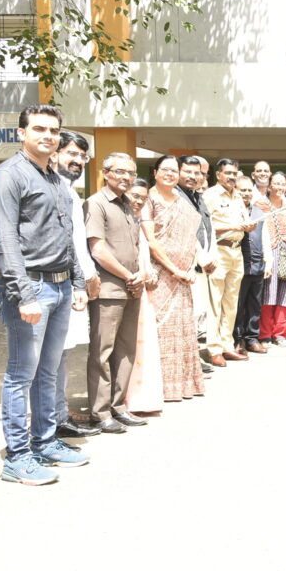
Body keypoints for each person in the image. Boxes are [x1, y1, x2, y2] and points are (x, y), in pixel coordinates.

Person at [0, 104, 90, 484]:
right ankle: (17, 456)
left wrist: (77, 283)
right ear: (21, 133)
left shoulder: (55, 179)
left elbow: (66, 237)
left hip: (61, 285)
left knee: (48, 371)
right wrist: (23, 294)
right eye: (39, 129)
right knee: (21, 374)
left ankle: (45, 442)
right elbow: (5, 241)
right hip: (29, 287)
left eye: (54, 130)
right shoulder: (7, 177)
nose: (48, 135)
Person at [84, 152, 146, 433]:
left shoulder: (128, 205)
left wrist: (140, 274)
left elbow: (135, 247)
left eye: (130, 173)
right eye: (120, 171)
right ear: (105, 173)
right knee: (102, 351)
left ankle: (119, 405)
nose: (126, 177)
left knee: (125, 351)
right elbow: (97, 248)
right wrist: (128, 275)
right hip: (110, 289)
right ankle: (99, 411)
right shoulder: (96, 204)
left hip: (132, 288)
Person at [51, 131, 102, 439]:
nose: (78, 160)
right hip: (55, 284)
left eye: (82, 156)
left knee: (61, 354)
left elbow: (77, 244)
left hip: (74, 283)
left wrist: (87, 276)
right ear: (54, 154)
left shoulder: (70, 191)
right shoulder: (51, 189)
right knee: (50, 357)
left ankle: (58, 413)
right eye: (71, 153)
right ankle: (52, 421)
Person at [143, 156, 205, 401]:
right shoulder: (149, 199)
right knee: (160, 331)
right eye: (165, 170)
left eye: (173, 170)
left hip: (183, 277)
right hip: (159, 275)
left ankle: (182, 385)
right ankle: (158, 388)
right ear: (155, 172)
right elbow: (150, 241)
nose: (169, 174)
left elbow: (191, 236)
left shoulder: (182, 201)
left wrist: (189, 265)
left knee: (182, 330)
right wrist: (174, 269)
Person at [203, 158, 252, 366]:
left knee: (231, 302)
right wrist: (234, 226)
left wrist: (247, 227)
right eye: (228, 173)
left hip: (236, 251)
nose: (232, 177)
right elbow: (205, 225)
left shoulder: (238, 196)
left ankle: (227, 345)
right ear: (218, 175)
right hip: (219, 250)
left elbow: (241, 222)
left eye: (235, 173)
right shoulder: (210, 195)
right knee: (215, 301)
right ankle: (213, 349)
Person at [123, 179, 165, 413]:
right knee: (127, 345)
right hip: (127, 286)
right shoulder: (117, 218)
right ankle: (127, 398)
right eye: (133, 195)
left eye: (142, 197)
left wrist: (150, 274)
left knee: (144, 343)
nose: (138, 201)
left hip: (143, 289)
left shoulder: (137, 221)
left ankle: (143, 397)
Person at [177, 155, 218, 370]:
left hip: (202, 266)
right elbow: (184, 232)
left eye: (200, 173)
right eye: (190, 172)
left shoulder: (196, 197)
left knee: (197, 315)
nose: (195, 177)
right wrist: (202, 257)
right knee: (187, 317)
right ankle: (186, 363)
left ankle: (193, 359)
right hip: (184, 267)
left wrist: (211, 256)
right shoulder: (176, 196)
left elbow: (206, 230)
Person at [260, 172, 286, 346]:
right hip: (267, 255)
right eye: (275, 184)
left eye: (282, 184)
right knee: (267, 296)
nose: (279, 187)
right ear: (269, 185)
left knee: (285, 295)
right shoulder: (260, 205)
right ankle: (264, 334)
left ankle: (280, 334)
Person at [233, 174, 271, 354]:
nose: (246, 193)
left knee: (255, 304)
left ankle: (252, 338)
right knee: (238, 305)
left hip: (258, 263)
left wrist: (268, 262)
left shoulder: (259, 212)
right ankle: (237, 339)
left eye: (249, 190)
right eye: (243, 190)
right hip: (238, 263)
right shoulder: (232, 210)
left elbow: (266, 238)